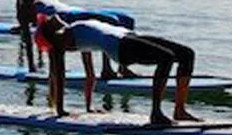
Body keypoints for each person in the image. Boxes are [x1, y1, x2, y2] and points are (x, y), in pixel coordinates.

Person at [34, 14, 199, 126]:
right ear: (50, 33)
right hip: (120, 47)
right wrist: (61, 110)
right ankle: (156, 113)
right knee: (167, 57)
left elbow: (90, 75)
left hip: (128, 36)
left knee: (187, 54)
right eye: (46, 22)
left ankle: (180, 111)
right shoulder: (61, 38)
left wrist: (89, 107)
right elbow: (58, 75)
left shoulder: (72, 29)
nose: (50, 17)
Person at [34, 0, 137, 79]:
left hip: (77, 13)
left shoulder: (52, 13)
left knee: (128, 20)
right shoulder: (59, 27)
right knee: (111, 24)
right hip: (74, 17)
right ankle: (107, 69)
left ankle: (121, 68)